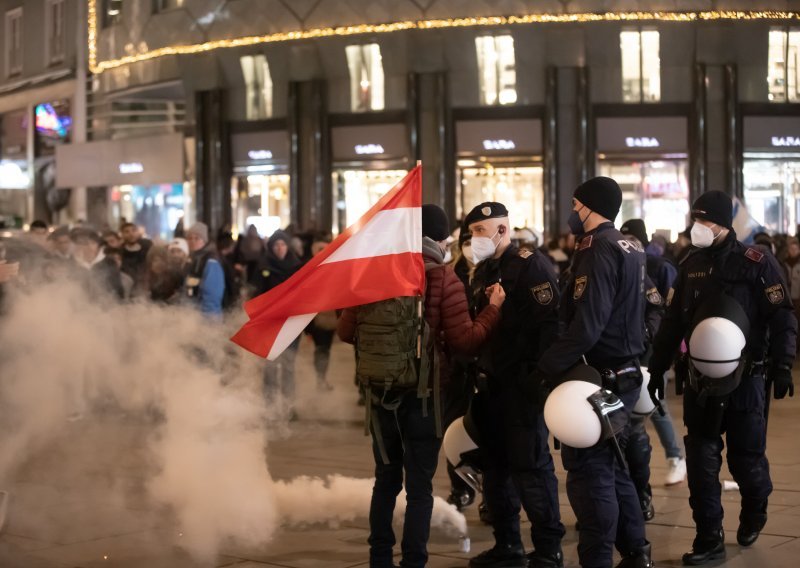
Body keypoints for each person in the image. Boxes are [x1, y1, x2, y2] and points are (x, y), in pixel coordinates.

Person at [337, 204, 504, 568]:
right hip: (425, 398)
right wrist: (492, 310)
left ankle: (379, 558)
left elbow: (345, 331)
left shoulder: (373, 274)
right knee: (419, 487)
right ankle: (413, 561)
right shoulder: (444, 279)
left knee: (385, 481)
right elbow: (464, 340)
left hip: (380, 395)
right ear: (440, 238)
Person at [647, 190, 797, 565]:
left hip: (747, 380)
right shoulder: (690, 264)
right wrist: (657, 367)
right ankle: (708, 537)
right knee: (701, 461)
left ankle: (755, 507)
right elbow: (672, 323)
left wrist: (783, 363)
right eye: (695, 220)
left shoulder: (757, 262)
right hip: (700, 381)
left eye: (705, 221)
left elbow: (781, 316)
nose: (697, 228)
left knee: (746, 460)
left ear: (723, 224)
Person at [533, 177, 653, 568]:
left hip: (600, 376)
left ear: (589, 206)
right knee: (615, 465)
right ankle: (636, 552)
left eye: (574, 203)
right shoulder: (629, 245)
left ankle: (597, 559)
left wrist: (546, 367)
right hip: (625, 370)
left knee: (590, 473)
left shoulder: (598, 249)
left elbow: (588, 325)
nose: (572, 211)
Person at [465, 202, 565, 568]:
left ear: (502, 231)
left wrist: (539, 376)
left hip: (520, 386)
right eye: (472, 231)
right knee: (494, 469)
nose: (474, 239)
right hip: (490, 384)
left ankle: (548, 549)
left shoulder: (529, 264)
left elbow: (552, 323)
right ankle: (507, 544)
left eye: (480, 231)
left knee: (531, 468)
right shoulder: (484, 269)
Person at [620, 219, 686, 487]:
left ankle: (675, 458)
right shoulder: (620, 264)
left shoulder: (660, 267)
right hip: (627, 348)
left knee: (655, 402)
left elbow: (670, 308)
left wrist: (657, 338)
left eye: (632, 238)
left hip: (652, 348)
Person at [254, 230, 303, 417]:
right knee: (270, 366)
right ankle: (270, 406)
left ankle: (289, 407)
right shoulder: (263, 267)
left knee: (289, 366)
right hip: (270, 324)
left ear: (287, 246)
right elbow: (256, 293)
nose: (279, 248)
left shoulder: (297, 267)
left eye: (282, 244)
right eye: (276, 245)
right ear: (271, 248)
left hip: (291, 324)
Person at [184, 222, 226, 319]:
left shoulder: (211, 262)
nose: (192, 241)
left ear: (204, 240)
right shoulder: (192, 259)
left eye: (197, 238)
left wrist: (207, 326)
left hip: (206, 320)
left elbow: (211, 297)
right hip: (193, 317)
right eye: (189, 238)